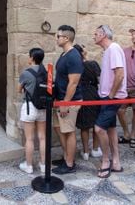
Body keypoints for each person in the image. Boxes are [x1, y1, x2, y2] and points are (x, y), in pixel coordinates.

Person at [93, 25, 127, 178]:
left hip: (111, 97)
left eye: (95, 34)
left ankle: (106, 160)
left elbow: (120, 74)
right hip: (106, 96)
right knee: (111, 129)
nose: (93, 36)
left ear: (103, 34)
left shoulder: (113, 48)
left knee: (99, 129)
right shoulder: (107, 51)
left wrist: (111, 95)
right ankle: (116, 162)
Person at [52, 25, 83, 174]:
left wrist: (65, 102)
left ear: (66, 38)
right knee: (59, 128)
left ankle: (70, 164)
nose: (56, 38)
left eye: (58, 36)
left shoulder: (74, 55)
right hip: (60, 99)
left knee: (69, 131)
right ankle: (66, 156)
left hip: (69, 101)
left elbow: (73, 82)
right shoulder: (64, 55)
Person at [18, 48, 46, 174]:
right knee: (42, 138)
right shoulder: (45, 71)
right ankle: (43, 165)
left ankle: (28, 166)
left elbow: (19, 89)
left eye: (29, 56)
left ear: (32, 58)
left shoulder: (26, 73)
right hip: (43, 107)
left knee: (29, 139)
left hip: (30, 107)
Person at [73, 44, 102, 160]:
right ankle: (95, 149)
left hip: (80, 94)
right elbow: (100, 79)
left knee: (84, 126)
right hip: (93, 93)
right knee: (95, 123)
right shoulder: (93, 64)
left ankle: (85, 152)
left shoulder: (75, 66)